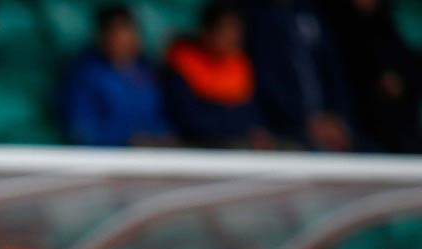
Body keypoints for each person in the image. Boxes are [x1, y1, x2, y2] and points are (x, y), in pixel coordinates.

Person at [244, 0, 354, 151]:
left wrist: (340, 120)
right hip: (287, 126)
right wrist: (306, 122)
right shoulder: (256, 17)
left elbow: (334, 72)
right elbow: (265, 82)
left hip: (332, 123)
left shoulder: (312, 12)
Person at [162, 3, 276, 148]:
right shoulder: (183, 63)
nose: (232, 36)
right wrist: (239, 130)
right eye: (225, 28)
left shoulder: (240, 65)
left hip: (239, 146)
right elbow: (189, 119)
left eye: (236, 29)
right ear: (207, 31)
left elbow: (252, 114)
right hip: (199, 147)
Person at [61, 5, 175, 147]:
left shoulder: (148, 72)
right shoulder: (84, 75)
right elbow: (81, 130)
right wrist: (127, 139)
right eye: (115, 33)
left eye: (128, 30)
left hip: (153, 157)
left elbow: (160, 120)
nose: (123, 40)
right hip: (108, 159)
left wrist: (162, 137)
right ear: (102, 36)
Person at [324, 0, 422, 154]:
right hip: (354, 124)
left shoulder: (384, 20)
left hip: (398, 128)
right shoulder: (333, 22)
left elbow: (407, 68)